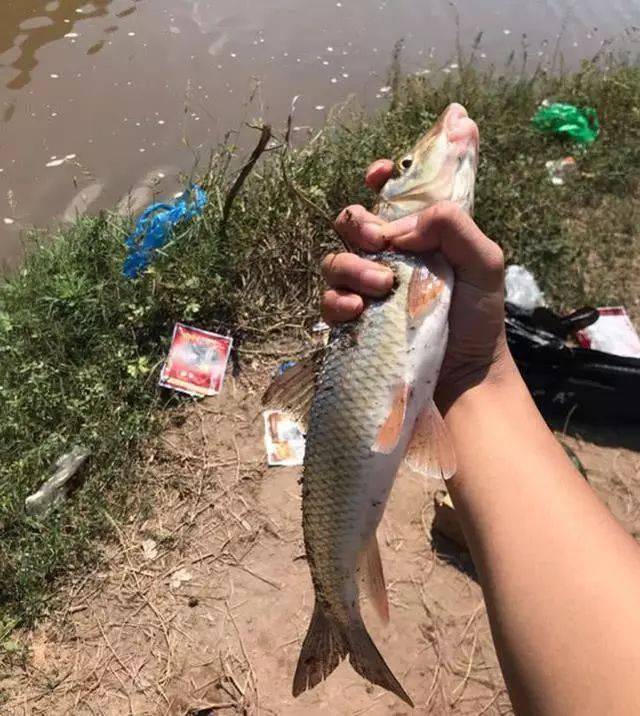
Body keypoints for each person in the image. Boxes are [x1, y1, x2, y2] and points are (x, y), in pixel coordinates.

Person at [319, 159, 640, 715]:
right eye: (415, 165)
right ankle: (338, 610)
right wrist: (472, 377)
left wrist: (470, 370)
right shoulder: (398, 254)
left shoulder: (423, 255)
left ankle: (337, 607)